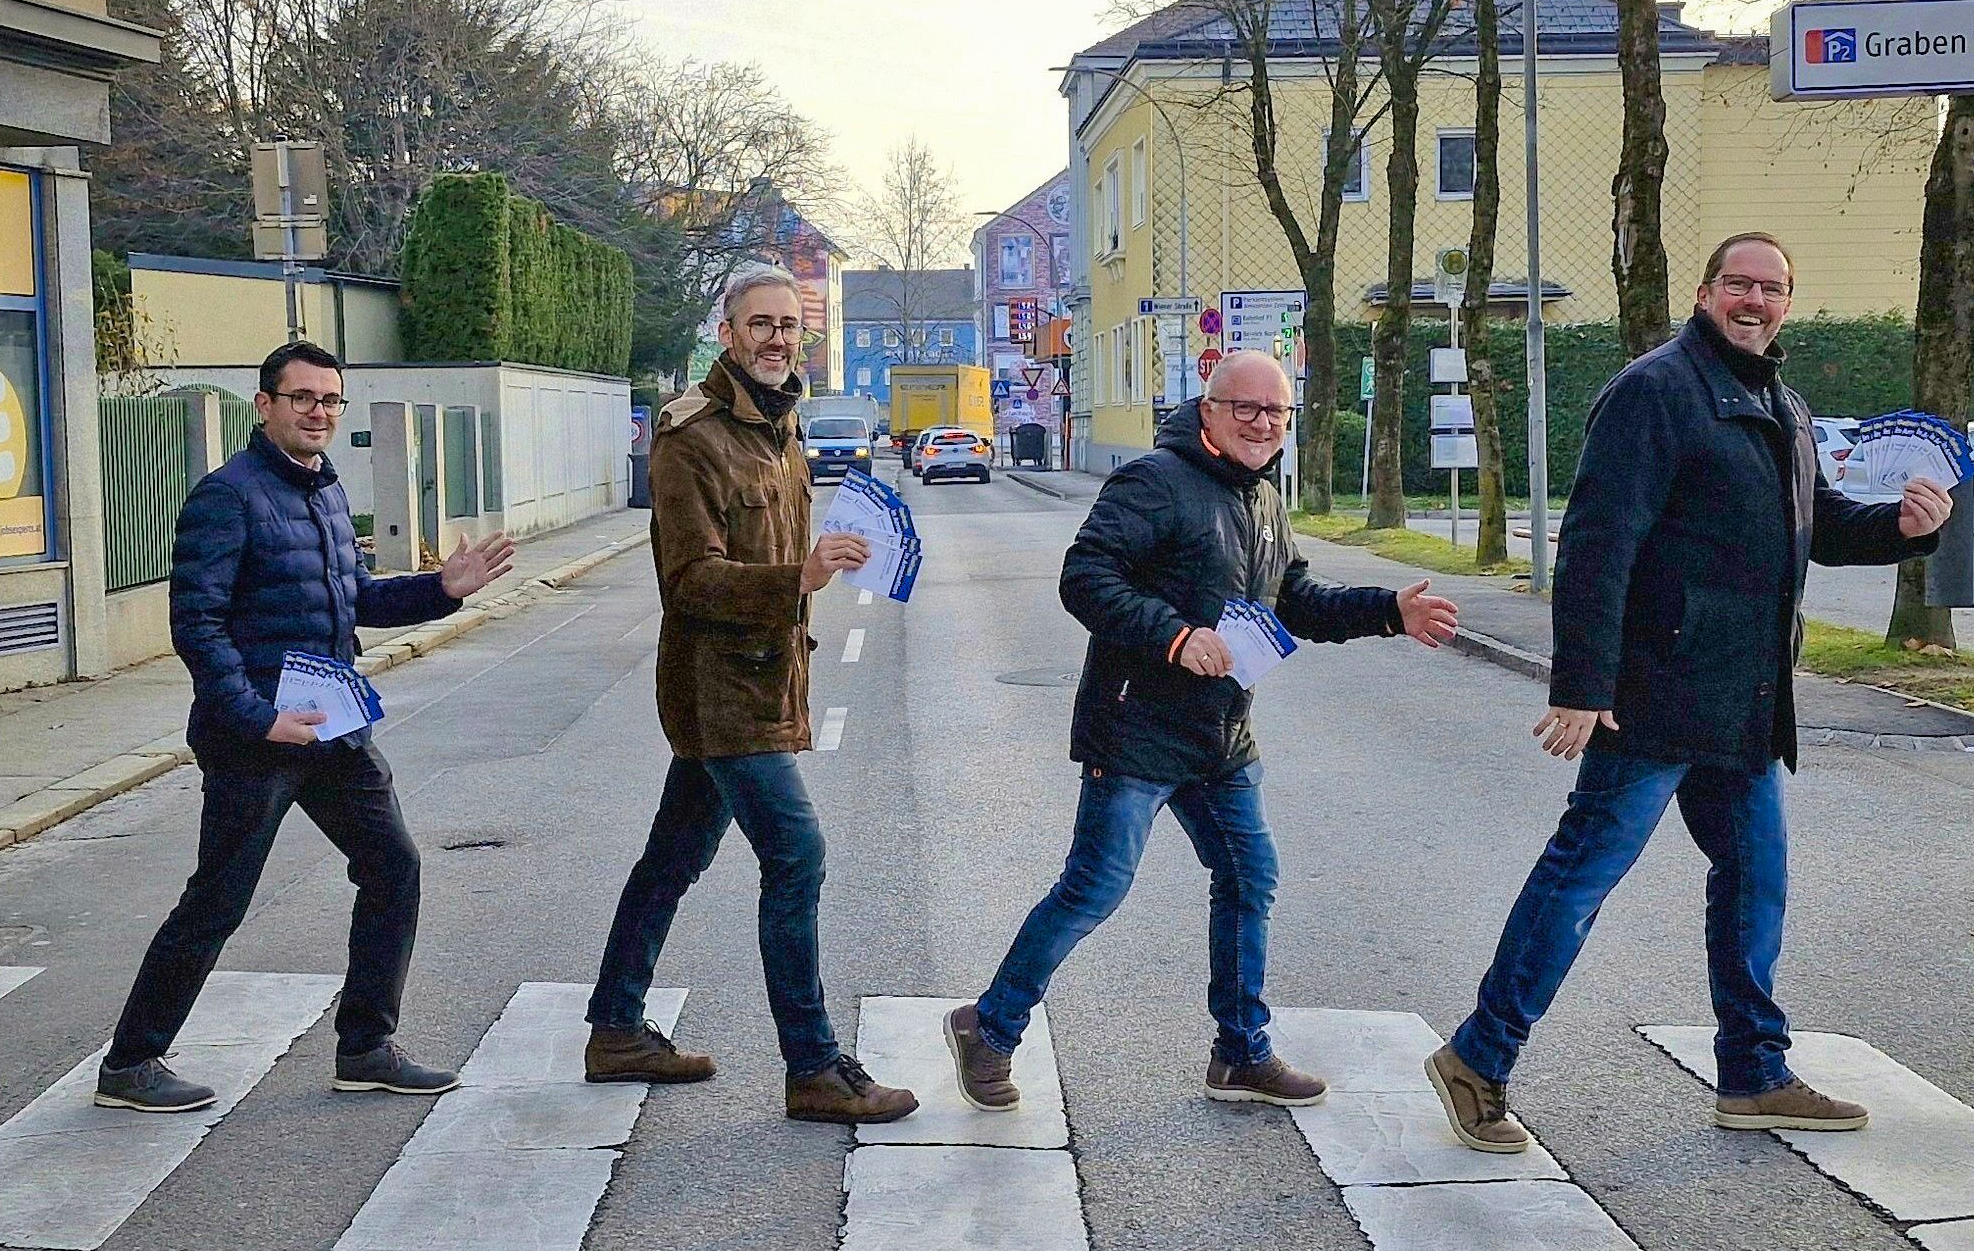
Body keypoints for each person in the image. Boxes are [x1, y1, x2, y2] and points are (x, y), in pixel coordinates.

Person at [1424, 233, 1955, 1151]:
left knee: (1755, 882)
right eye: (1738, 284)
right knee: (1580, 879)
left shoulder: (1781, 402)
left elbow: (1818, 523)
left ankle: (1753, 1074)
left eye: (1772, 288)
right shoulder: (1656, 391)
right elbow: (1598, 542)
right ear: (1706, 293)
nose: (1755, 300)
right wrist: (1583, 684)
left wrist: (1903, 529)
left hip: (1744, 701)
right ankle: (1478, 1057)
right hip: (1654, 695)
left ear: (1788, 303)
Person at [946, 351, 1460, 1112]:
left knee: (1251, 877)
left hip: (1221, 736)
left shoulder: (1263, 497)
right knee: (1094, 889)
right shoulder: (1154, 482)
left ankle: (1241, 1054)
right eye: (1245, 408)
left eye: (1275, 412)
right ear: (1209, 410)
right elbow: (1085, 577)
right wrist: (1175, 636)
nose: (1262, 424)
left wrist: (1388, 611)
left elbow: (1295, 600)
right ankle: (989, 1028)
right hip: (1138, 729)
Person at [95, 341, 516, 1112]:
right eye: (303, 398)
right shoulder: (228, 497)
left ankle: (366, 1048)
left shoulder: (325, 490)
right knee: (218, 900)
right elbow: (197, 626)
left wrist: (442, 589)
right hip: (255, 742)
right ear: (266, 406)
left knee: (392, 866)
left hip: (332, 729)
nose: (318, 412)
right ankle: (130, 1063)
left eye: (330, 399)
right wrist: (259, 719)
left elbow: (358, 600)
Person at [584, 264, 918, 1126]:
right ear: (727, 334)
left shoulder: (781, 426)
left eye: (789, 325)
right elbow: (689, 579)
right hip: (720, 687)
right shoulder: (690, 437)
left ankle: (615, 1029)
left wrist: (821, 563)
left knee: (673, 859)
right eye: (760, 324)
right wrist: (797, 577)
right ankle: (813, 1067)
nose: (776, 339)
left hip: (767, 678)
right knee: (796, 856)